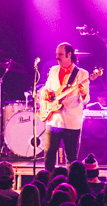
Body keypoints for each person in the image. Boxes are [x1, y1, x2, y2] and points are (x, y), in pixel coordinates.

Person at [39, 42, 90, 172]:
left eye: (60, 54)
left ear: (69, 55)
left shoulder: (82, 74)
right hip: (54, 119)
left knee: (71, 158)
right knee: (49, 155)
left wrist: (83, 92)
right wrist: (44, 92)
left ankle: (70, 187)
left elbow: (86, 100)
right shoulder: (53, 70)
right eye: (56, 54)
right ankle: (49, 184)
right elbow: (48, 88)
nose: (57, 57)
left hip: (72, 122)